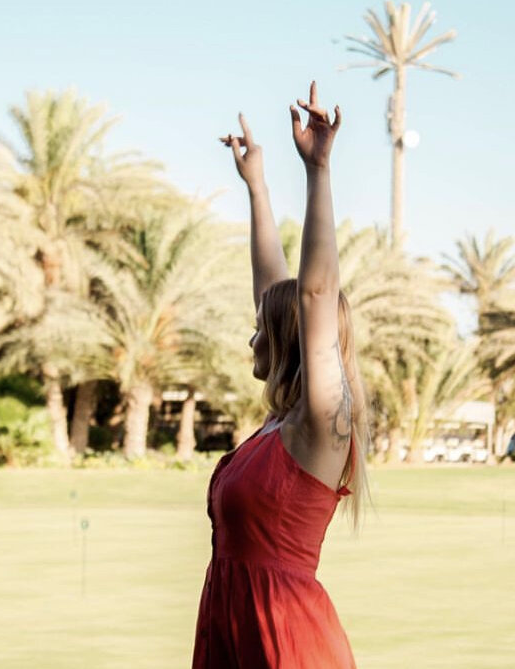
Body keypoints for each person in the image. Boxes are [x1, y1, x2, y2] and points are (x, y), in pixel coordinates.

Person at [191, 82, 370, 668]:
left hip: (285, 640)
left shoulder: (320, 426)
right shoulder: (278, 426)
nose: (252, 337)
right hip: (234, 631)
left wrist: (317, 169)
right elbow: (275, 291)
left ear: (289, 340)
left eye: (260, 328)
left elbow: (314, 295)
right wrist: (258, 188)